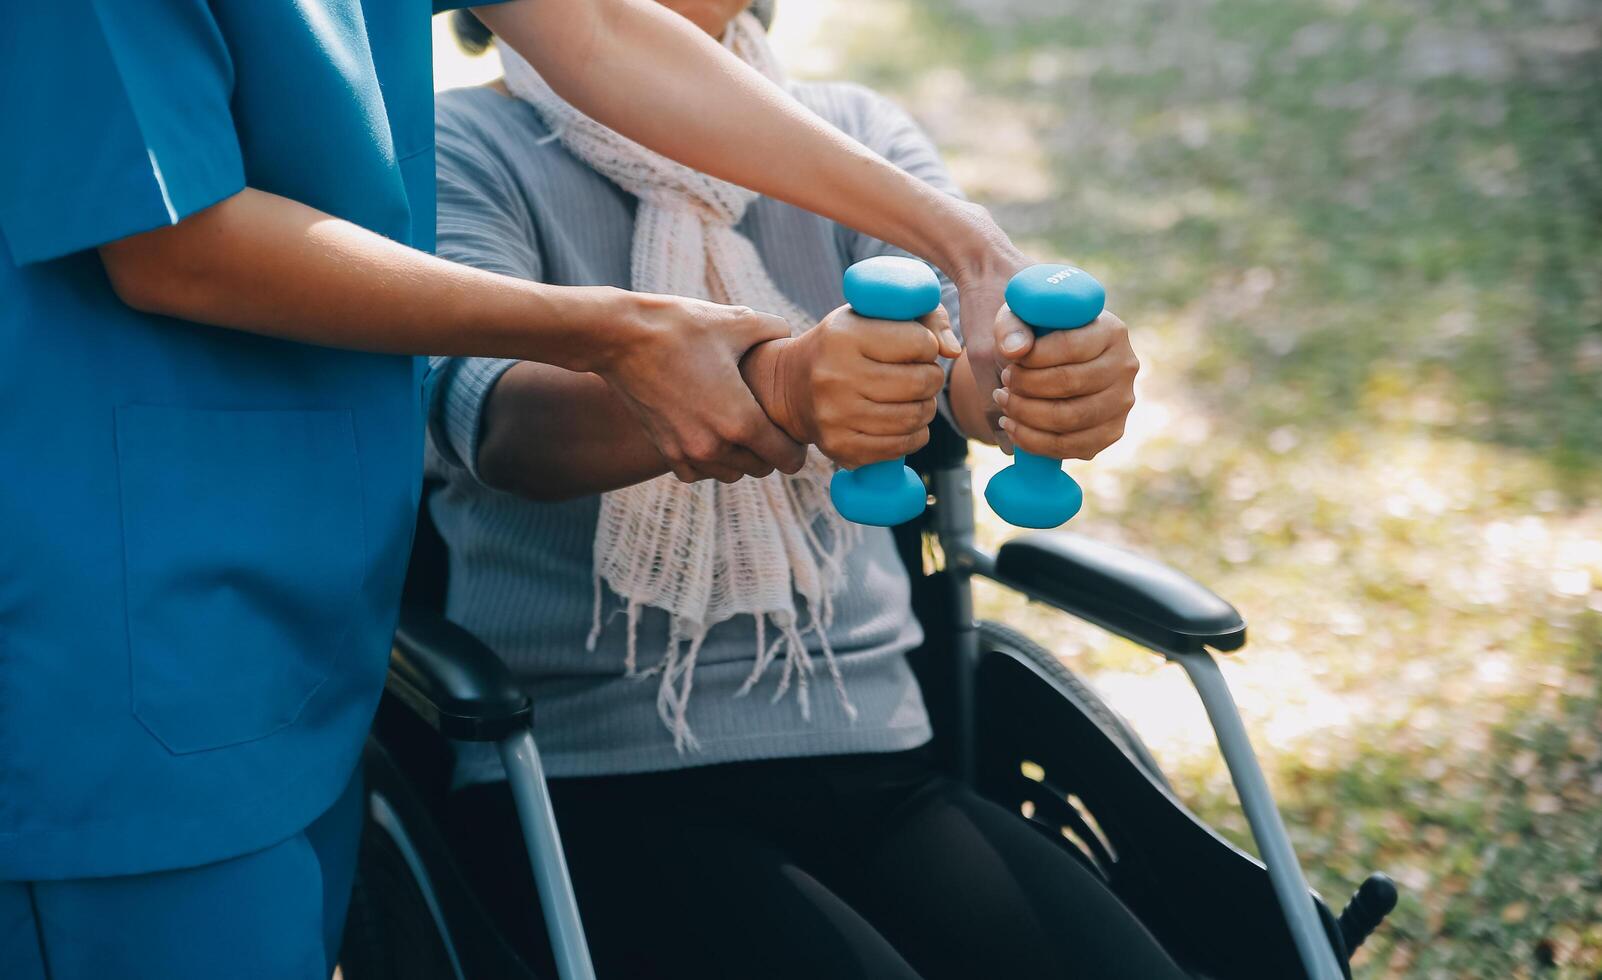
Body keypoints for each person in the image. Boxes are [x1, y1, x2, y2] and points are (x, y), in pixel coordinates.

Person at [0, 2, 1035, 978]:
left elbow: (590, 22)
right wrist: (616, 330)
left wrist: (969, 244)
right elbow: (171, 240)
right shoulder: (484, 157)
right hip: (119, 633)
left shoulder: (862, 124)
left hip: (295, 612)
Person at [427, 6, 1173, 978]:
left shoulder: (857, 136)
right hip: (583, 770)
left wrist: (1040, 381)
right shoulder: (462, 145)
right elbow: (502, 425)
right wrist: (777, 380)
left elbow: (965, 354)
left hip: (874, 747)